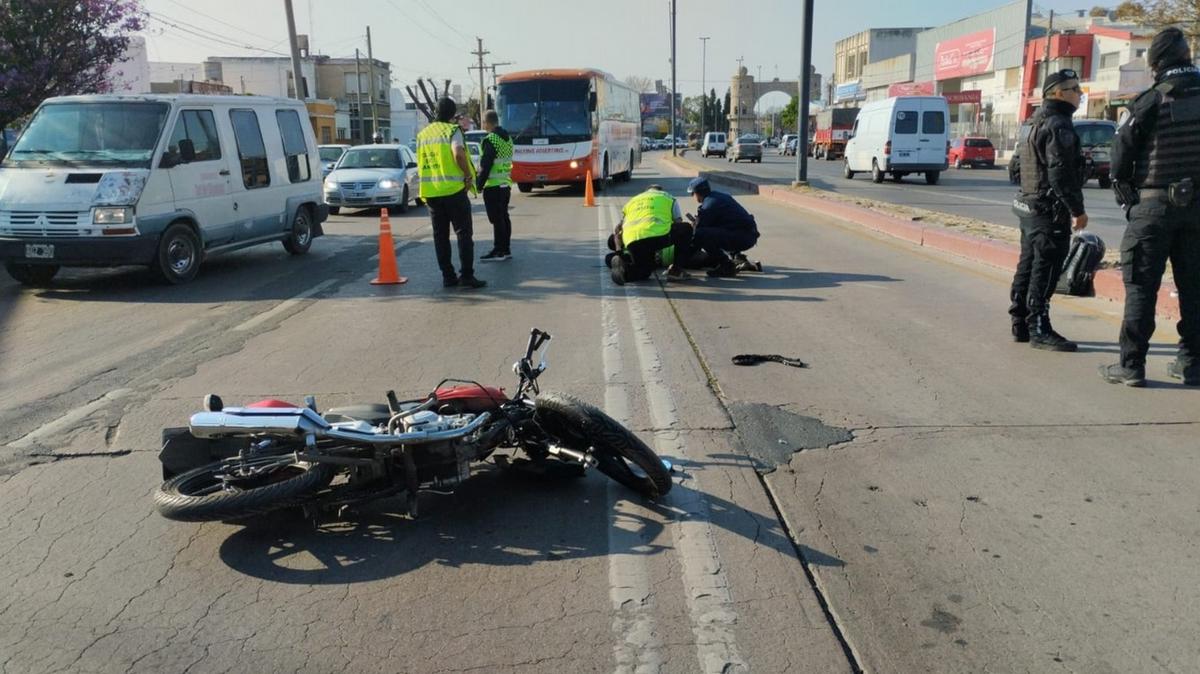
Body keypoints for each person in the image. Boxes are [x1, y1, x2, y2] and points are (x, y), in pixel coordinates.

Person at [1101, 28, 1200, 387]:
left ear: (1156, 62)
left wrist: (1130, 201)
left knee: (1142, 287)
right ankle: (1191, 364)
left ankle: (1132, 366)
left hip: (1154, 207)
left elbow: (1119, 159)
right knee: (1194, 289)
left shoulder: (1149, 101)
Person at [1008, 69, 1088, 351]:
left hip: (1029, 204)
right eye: (1074, 88)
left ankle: (1020, 322)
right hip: (1049, 209)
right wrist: (1077, 210)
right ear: (1057, 93)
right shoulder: (1059, 125)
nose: (1080, 94)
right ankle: (1039, 326)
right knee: (1047, 266)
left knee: (1028, 263)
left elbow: (1015, 168)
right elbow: (1061, 173)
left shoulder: (1030, 123)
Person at [416, 98, 485, 289]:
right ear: (452, 114)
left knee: (440, 237)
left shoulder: (422, 134)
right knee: (463, 234)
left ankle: (448, 277)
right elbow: (459, 154)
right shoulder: (452, 131)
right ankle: (467, 276)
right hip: (454, 191)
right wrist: (467, 175)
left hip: (431, 193)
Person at [606, 185, 694, 285]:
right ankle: (676, 271)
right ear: (660, 191)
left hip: (632, 240)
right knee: (686, 228)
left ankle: (624, 274)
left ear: (646, 191)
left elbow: (620, 227)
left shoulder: (632, 201)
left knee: (644, 271)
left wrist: (619, 247)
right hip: (657, 236)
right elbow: (678, 222)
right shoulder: (667, 197)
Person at [684, 177, 761, 277]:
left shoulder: (709, 205)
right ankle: (737, 257)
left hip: (743, 237)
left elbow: (697, 234)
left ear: (697, 193)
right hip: (749, 235)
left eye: (692, 194)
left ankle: (727, 266)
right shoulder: (718, 197)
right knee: (715, 231)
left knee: (701, 234)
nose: (693, 196)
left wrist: (684, 257)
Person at [476, 110, 514, 261]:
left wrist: (479, 185)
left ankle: (499, 250)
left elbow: (485, 166)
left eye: (483, 122)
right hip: (505, 184)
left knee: (497, 219)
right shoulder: (507, 138)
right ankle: (506, 248)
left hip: (493, 187)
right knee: (504, 217)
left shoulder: (490, 140)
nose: (483, 125)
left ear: (487, 122)